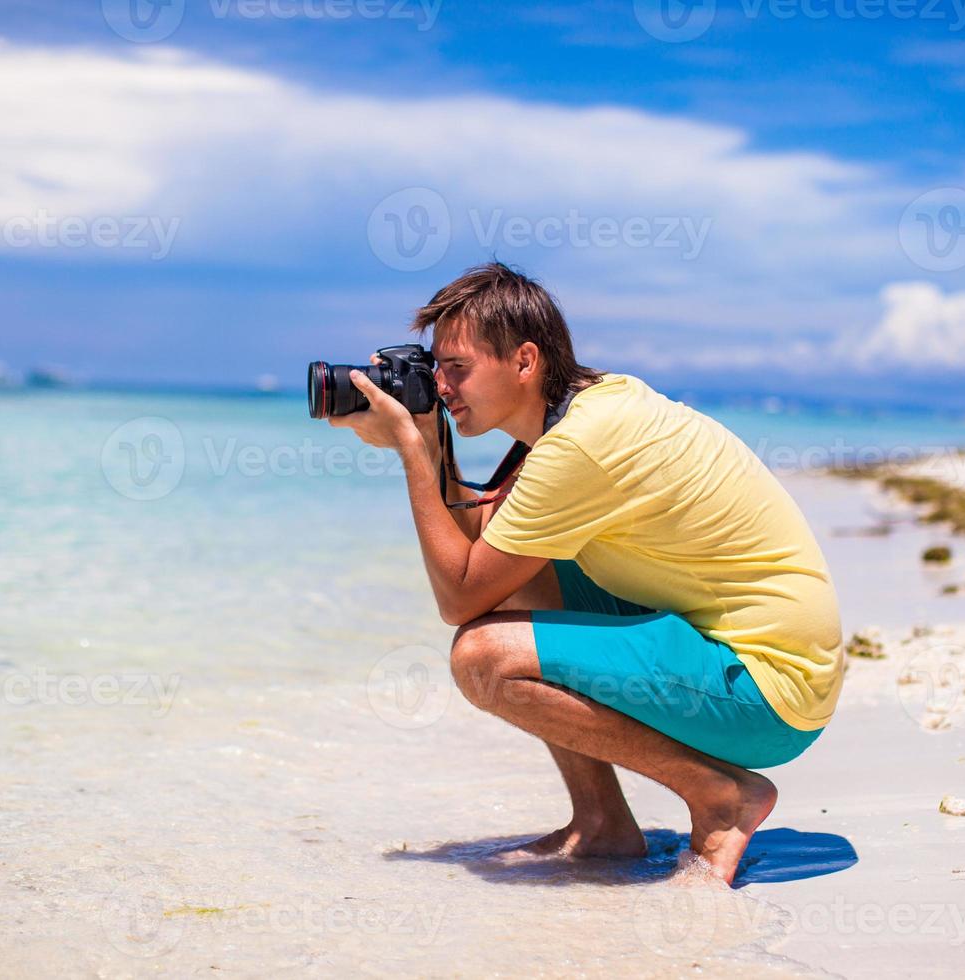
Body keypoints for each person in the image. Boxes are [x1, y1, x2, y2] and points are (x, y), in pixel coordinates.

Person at [328, 262, 843, 884]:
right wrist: (435, 446)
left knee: (482, 658)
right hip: (748, 662)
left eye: (457, 368)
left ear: (524, 361)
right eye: (435, 368)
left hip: (767, 695)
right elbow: (484, 555)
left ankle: (721, 794)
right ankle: (601, 823)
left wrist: (414, 454)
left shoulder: (582, 444)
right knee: (518, 574)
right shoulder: (587, 410)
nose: (440, 386)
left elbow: (459, 598)